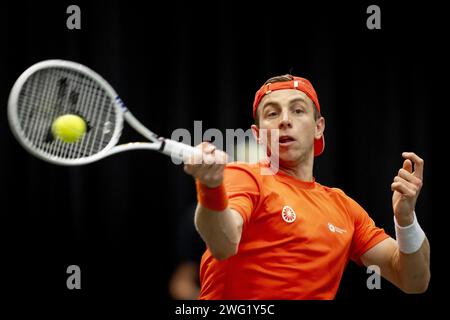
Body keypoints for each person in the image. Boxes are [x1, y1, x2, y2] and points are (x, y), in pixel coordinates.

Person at [183, 74, 430, 299]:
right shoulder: (246, 176)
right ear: (258, 134)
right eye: (272, 113)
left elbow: (413, 281)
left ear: (318, 126)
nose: (285, 121)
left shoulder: (345, 209)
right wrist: (211, 186)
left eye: (298, 111)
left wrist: (405, 219)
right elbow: (223, 245)